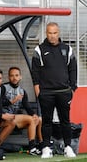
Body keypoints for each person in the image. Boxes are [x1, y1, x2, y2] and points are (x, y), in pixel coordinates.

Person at [31, 22, 77, 159]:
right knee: (46, 121)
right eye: (50, 33)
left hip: (64, 92)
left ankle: (68, 147)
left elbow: (73, 69)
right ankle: (46, 148)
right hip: (46, 93)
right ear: (46, 33)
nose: (52, 36)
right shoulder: (39, 50)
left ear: (59, 33)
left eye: (55, 33)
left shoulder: (68, 49)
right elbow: (35, 73)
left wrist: (72, 89)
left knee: (65, 121)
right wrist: (38, 91)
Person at [3, 66, 42, 155]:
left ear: (20, 77)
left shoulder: (22, 91)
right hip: (5, 117)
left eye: (16, 75)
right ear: (9, 77)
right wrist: (12, 101)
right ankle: (32, 148)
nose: (14, 78)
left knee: (39, 119)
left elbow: (27, 107)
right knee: (31, 119)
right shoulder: (3, 88)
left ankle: (42, 145)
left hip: (16, 119)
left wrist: (34, 114)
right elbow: (0, 103)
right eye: (12, 76)